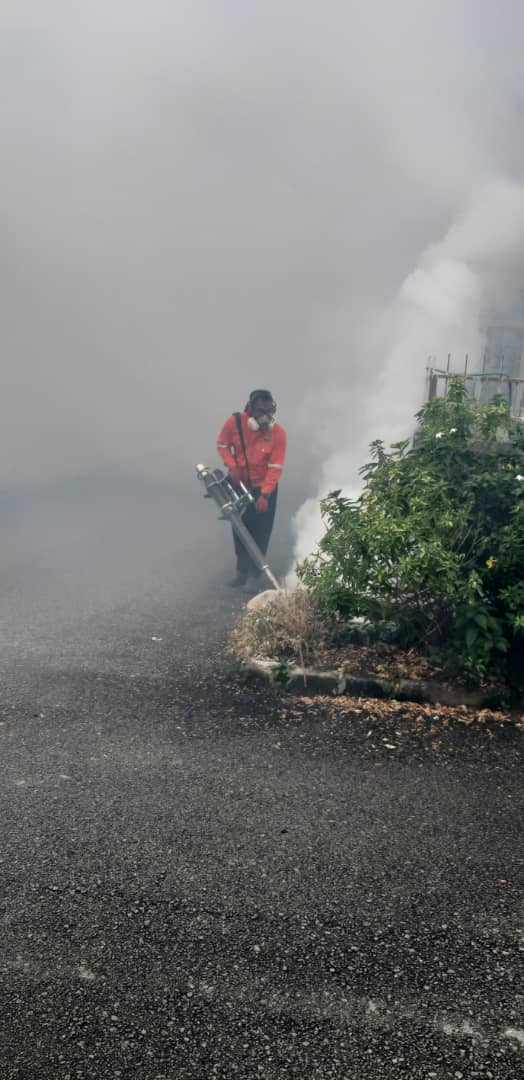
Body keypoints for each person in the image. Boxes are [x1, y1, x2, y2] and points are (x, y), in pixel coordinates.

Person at [217, 389, 287, 587]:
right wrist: (232, 466)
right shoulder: (235, 423)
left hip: (265, 486)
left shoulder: (278, 434)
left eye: (269, 411)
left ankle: (254, 575)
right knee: (240, 528)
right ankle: (241, 571)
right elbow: (222, 445)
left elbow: (275, 468)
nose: (265, 417)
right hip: (240, 484)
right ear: (250, 408)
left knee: (261, 530)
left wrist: (265, 495)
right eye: (260, 411)